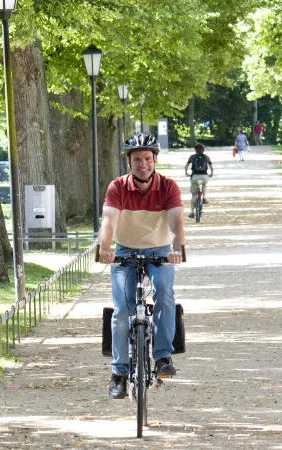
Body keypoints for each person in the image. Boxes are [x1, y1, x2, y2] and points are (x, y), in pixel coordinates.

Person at [97, 132, 186, 400]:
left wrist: (177, 249)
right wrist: (104, 249)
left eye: (147, 158)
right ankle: (119, 373)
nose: (142, 164)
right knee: (122, 309)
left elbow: (176, 222)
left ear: (155, 160)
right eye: (137, 159)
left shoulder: (168, 187)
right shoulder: (118, 187)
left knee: (163, 292)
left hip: (160, 252)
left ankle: (162, 357)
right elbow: (108, 221)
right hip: (124, 252)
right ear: (129, 162)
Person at [184, 143, 214, 217]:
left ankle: (192, 212)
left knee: (194, 195)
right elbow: (212, 167)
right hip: (204, 176)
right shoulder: (206, 157)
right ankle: (204, 198)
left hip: (194, 177)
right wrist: (211, 174)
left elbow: (186, 166)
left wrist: (186, 173)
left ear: (195, 150)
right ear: (203, 150)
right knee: (204, 184)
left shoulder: (192, 157)